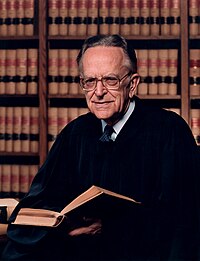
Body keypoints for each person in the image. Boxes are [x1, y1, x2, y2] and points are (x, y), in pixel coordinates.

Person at [2, 34, 200, 261]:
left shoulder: (168, 132)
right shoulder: (74, 134)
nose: (98, 92)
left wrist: (113, 227)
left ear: (132, 84)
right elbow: (40, 201)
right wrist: (62, 222)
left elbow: (183, 219)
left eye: (110, 80)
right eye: (89, 81)